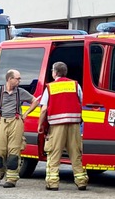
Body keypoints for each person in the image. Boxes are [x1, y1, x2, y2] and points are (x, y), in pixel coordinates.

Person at [37, 61, 89, 191]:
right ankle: (81, 181)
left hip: (57, 126)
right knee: (76, 153)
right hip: (74, 125)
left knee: (54, 153)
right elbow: (81, 102)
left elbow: (43, 110)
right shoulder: (75, 85)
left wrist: (40, 125)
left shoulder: (50, 87)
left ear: (55, 72)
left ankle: (53, 183)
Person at [0, 68, 36, 188]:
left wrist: (26, 114)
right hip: (1, 122)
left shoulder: (20, 92)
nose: (19, 80)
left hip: (16, 122)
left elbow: (34, 101)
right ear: (10, 79)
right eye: (17, 78)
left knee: (14, 151)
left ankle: (11, 179)